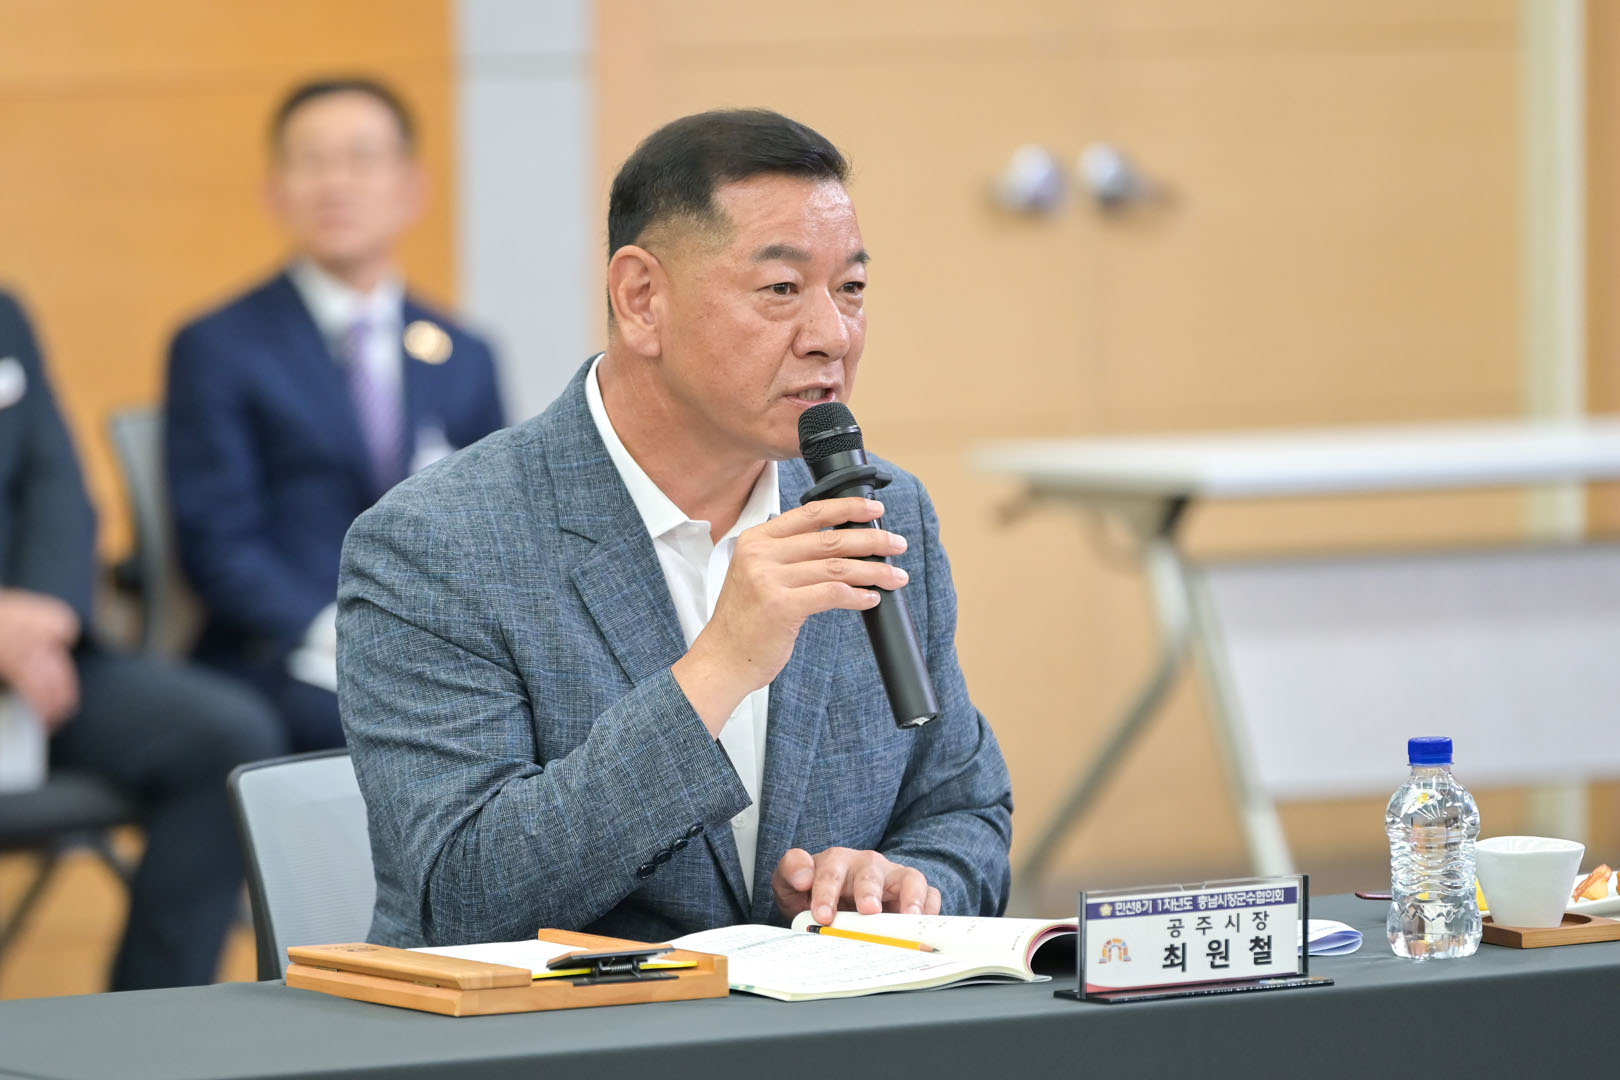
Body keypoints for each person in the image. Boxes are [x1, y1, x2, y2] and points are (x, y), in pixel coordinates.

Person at [339, 109, 1013, 948]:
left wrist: (904, 885)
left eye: (851, 289)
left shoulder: (881, 510)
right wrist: (718, 668)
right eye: (782, 289)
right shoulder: (437, 544)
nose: (832, 336)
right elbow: (463, 895)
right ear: (642, 299)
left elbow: (965, 811)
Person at [165, 78, 505, 752]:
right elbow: (217, 542)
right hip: (283, 649)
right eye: (311, 161)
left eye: (361, 159)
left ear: (411, 189)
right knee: (393, 733)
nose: (335, 183)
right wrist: (342, 632)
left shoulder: (463, 352)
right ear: (275, 190)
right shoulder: (219, 345)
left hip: (435, 648)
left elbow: (499, 527)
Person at [0, 289, 285, 990]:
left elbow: (53, 481)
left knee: (224, 738)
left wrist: (45, 610)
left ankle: (151, 1023)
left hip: (37, 667)